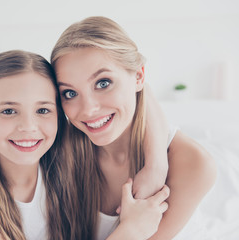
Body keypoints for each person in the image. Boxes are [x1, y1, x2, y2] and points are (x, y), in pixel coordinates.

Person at [0, 50, 170, 240]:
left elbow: (143, 91)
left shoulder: (65, 153)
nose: (28, 127)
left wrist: (155, 166)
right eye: (8, 111)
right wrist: (130, 232)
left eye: (43, 110)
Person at [51, 16, 217, 240]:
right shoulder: (61, 153)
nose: (88, 110)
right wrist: (155, 165)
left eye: (103, 83)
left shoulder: (193, 163)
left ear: (139, 76)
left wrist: (157, 164)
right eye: (70, 93)